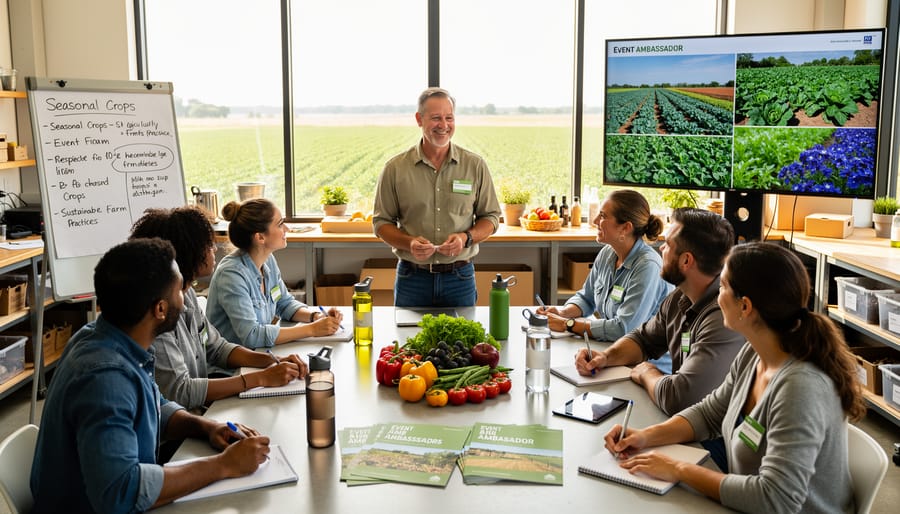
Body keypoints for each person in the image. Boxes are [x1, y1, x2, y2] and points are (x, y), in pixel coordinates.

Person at [604, 242, 865, 513]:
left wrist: (680, 470)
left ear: (745, 306)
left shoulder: (800, 388)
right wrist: (644, 437)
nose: (717, 293)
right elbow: (710, 413)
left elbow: (775, 500)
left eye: (724, 286)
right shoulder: (754, 353)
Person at [31, 239, 270, 513]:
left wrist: (205, 426)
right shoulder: (105, 379)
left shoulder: (108, 337)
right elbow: (121, 493)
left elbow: (155, 406)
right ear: (160, 309)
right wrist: (224, 465)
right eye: (180, 289)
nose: (185, 297)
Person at [130, 206, 308, 411]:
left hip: (199, 411)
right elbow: (180, 391)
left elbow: (216, 348)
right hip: (182, 424)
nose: (214, 249)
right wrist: (260, 378)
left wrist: (271, 361)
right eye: (208, 244)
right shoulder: (158, 315)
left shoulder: (186, 293)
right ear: (189, 252)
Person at [575, 208, 744, 416]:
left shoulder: (722, 318)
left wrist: (647, 372)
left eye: (669, 245)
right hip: (681, 419)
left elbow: (680, 399)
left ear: (686, 261)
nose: (661, 248)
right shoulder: (679, 297)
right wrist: (605, 357)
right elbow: (643, 339)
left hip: (714, 438)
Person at [372, 87, 501, 307]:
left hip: (460, 279)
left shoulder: (474, 165)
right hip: (412, 279)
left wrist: (465, 238)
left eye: (449, 118)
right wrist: (409, 242)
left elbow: (491, 217)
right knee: (407, 340)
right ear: (419, 119)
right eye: (435, 118)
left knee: (463, 342)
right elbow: (381, 223)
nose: (443, 125)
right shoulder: (395, 169)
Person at [538, 189, 674, 371]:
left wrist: (568, 325)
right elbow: (586, 298)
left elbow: (624, 329)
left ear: (625, 227)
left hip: (647, 368)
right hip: (614, 354)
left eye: (602, 216)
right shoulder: (608, 253)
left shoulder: (648, 267)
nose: (595, 222)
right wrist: (565, 313)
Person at [206, 198, 343, 349]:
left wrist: (316, 317)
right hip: (231, 369)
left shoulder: (267, 260)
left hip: (258, 356)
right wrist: (312, 330)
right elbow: (252, 336)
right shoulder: (231, 275)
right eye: (280, 224)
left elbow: (284, 304)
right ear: (260, 237)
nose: (287, 229)